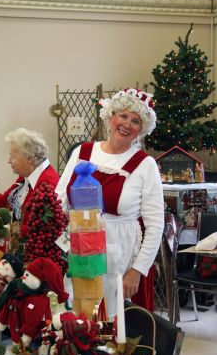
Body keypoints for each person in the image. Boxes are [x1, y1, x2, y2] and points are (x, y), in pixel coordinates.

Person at [56, 88, 164, 317]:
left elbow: (155, 225)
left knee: (110, 324)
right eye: (123, 116)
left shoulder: (145, 165)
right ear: (111, 116)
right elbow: (60, 201)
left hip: (119, 258)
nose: (127, 124)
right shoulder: (82, 152)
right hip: (78, 251)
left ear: (141, 130)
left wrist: (137, 271)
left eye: (135, 121)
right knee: (76, 316)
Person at [0, 127, 59, 238]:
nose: (8, 160)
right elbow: (3, 202)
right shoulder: (27, 176)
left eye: (12, 155)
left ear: (29, 159)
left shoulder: (47, 184)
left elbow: (41, 231)